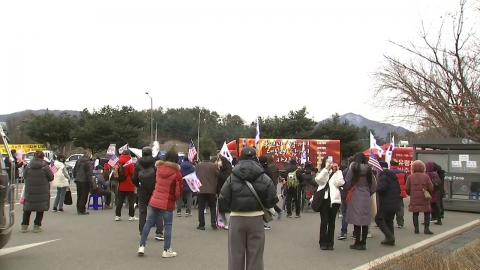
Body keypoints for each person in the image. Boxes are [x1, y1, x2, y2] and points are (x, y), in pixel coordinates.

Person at [218, 146, 278, 270]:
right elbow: (272, 199)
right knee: (255, 255)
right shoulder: (264, 177)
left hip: (236, 218)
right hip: (256, 218)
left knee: (235, 255)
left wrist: (232, 208)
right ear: (255, 157)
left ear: (240, 158)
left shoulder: (232, 177)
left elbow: (222, 199)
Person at [137, 150, 183, 258]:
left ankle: (141, 246)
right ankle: (166, 249)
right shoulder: (177, 173)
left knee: (148, 223)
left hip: (154, 199)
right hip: (167, 202)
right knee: (168, 226)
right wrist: (175, 199)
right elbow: (178, 191)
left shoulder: (158, 168)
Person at [344, 152, 377, 250]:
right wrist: (368, 192)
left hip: (355, 193)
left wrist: (347, 189)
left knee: (356, 219)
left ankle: (357, 242)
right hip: (366, 194)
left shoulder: (354, 167)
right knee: (365, 220)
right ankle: (364, 242)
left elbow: (347, 181)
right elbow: (374, 185)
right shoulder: (369, 168)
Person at [133, 147, 164, 240]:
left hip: (142, 189)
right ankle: (159, 232)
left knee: (142, 211)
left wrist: (138, 185)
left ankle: (143, 231)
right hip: (154, 189)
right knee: (157, 211)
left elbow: (134, 178)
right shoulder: (155, 163)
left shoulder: (138, 163)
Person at [315, 157, 345, 250]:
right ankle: (323, 242)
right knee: (324, 221)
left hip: (334, 200)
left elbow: (340, 183)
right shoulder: (322, 172)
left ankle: (330, 242)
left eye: (332, 162)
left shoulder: (336, 173)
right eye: (328, 161)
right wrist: (326, 169)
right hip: (324, 200)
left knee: (332, 222)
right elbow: (319, 180)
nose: (330, 163)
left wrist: (338, 171)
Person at [21, 150, 54, 233]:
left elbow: (24, 176)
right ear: (43, 157)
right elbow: (51, 177)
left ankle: (24, 226)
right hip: (42, 190)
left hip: (30, 190)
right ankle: (37, 225)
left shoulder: (28, 166)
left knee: (27, 208)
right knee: (40, 208)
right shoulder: (44, 166)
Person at [375, 161, 400, 246]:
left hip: (386, 202)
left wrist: (375, 187)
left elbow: (382, 188)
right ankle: (390, 239)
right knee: (389, 220)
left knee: (378, 219)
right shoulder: (392, 176)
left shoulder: (384, 177)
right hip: (394, 202)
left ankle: (390, 237)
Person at [405, 160, 434, 235]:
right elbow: (431, 188)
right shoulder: (426, 176)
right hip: (424, 198)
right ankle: (426, 229)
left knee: (415, 213)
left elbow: (406, 188)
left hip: (414, 198)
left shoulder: (410, 177)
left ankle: (416, 229)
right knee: (427, 212)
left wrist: (411, 194)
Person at [195, 150, 219, 230]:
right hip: (211, 189)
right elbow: (217, 175)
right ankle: (213, 222)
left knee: (201, 207)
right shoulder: (214, 166)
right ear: (209, 156)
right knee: (212, 206)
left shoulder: (198, 165)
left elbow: (196, 176)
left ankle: (201, 224)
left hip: (201, 189)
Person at [115, 150, 137, 221]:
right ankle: (131, 216)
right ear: (128, 155)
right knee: (131, 201)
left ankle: (117, 215)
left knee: (120, 201)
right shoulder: (129, 164)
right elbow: (133, 173)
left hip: (120, 184)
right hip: (129, 185)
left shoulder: (118, 162)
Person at [73, 149, 94, 215]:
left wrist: (75, 177)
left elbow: (75, 169)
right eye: (90, 154)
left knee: (79, 195)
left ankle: (78, 207)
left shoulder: (79, 160)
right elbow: (89, 173)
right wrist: (91, 182)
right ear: (88, 154)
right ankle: (82, 209)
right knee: (84, 195)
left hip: (78, 179)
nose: (91, 155)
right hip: (85, 180)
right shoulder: (88, 162)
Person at [338, 156, 354, 240]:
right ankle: (355, 233)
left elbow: (343, 182)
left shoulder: (345, 171)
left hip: (346, 194)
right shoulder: (358, 171)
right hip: (356, 194)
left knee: (345, 214)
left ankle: (343, 232)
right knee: (356, 214)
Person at [389, 159, 408, 229]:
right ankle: (400, 223)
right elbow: (406, 182)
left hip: (390, 193)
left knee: (390, 207)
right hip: (400, 192)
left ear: (390, 164)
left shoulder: (388, 172)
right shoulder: (403, 172)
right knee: (400, 208)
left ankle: (389, 222)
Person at [217, 155, 233, 229]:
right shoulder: (221, 170)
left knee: (226, 209)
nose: (218, 162)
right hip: (220, 191)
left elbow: (225, 179)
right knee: (221, 209)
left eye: (220, 160)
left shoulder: (228, 170)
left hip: (227, 191)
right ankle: (225, 223)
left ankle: (228, 224)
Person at [425, 161, 442, 226]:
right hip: (435, 191)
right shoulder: (435, 173)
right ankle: (439, 220)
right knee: (436, 206)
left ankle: (426, 221)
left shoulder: (427, 174)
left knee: (427, 207)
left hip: (429, 192)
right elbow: (439, 182)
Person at [266, 155, 283, 219]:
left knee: (268, 201)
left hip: (268, 185)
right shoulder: (275, 167)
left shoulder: (268, 167)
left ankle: (271, 215)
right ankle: (278, 211)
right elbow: (278, 175)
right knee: (271, 200)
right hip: (274, 184)